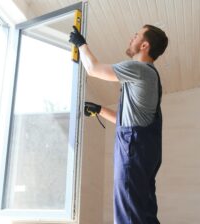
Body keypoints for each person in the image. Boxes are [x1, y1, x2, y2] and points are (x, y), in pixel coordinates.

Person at [69, 24, 168, 224]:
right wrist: (100, 110)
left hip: (134, 153)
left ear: (144, 45)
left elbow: (93, 68)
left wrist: (80, 43)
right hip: (144, 154)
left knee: (129, 217)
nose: (132, 38)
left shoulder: (139, 69)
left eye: (136, 35)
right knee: (144, 213)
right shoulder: (149, 77)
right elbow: (130, 123)